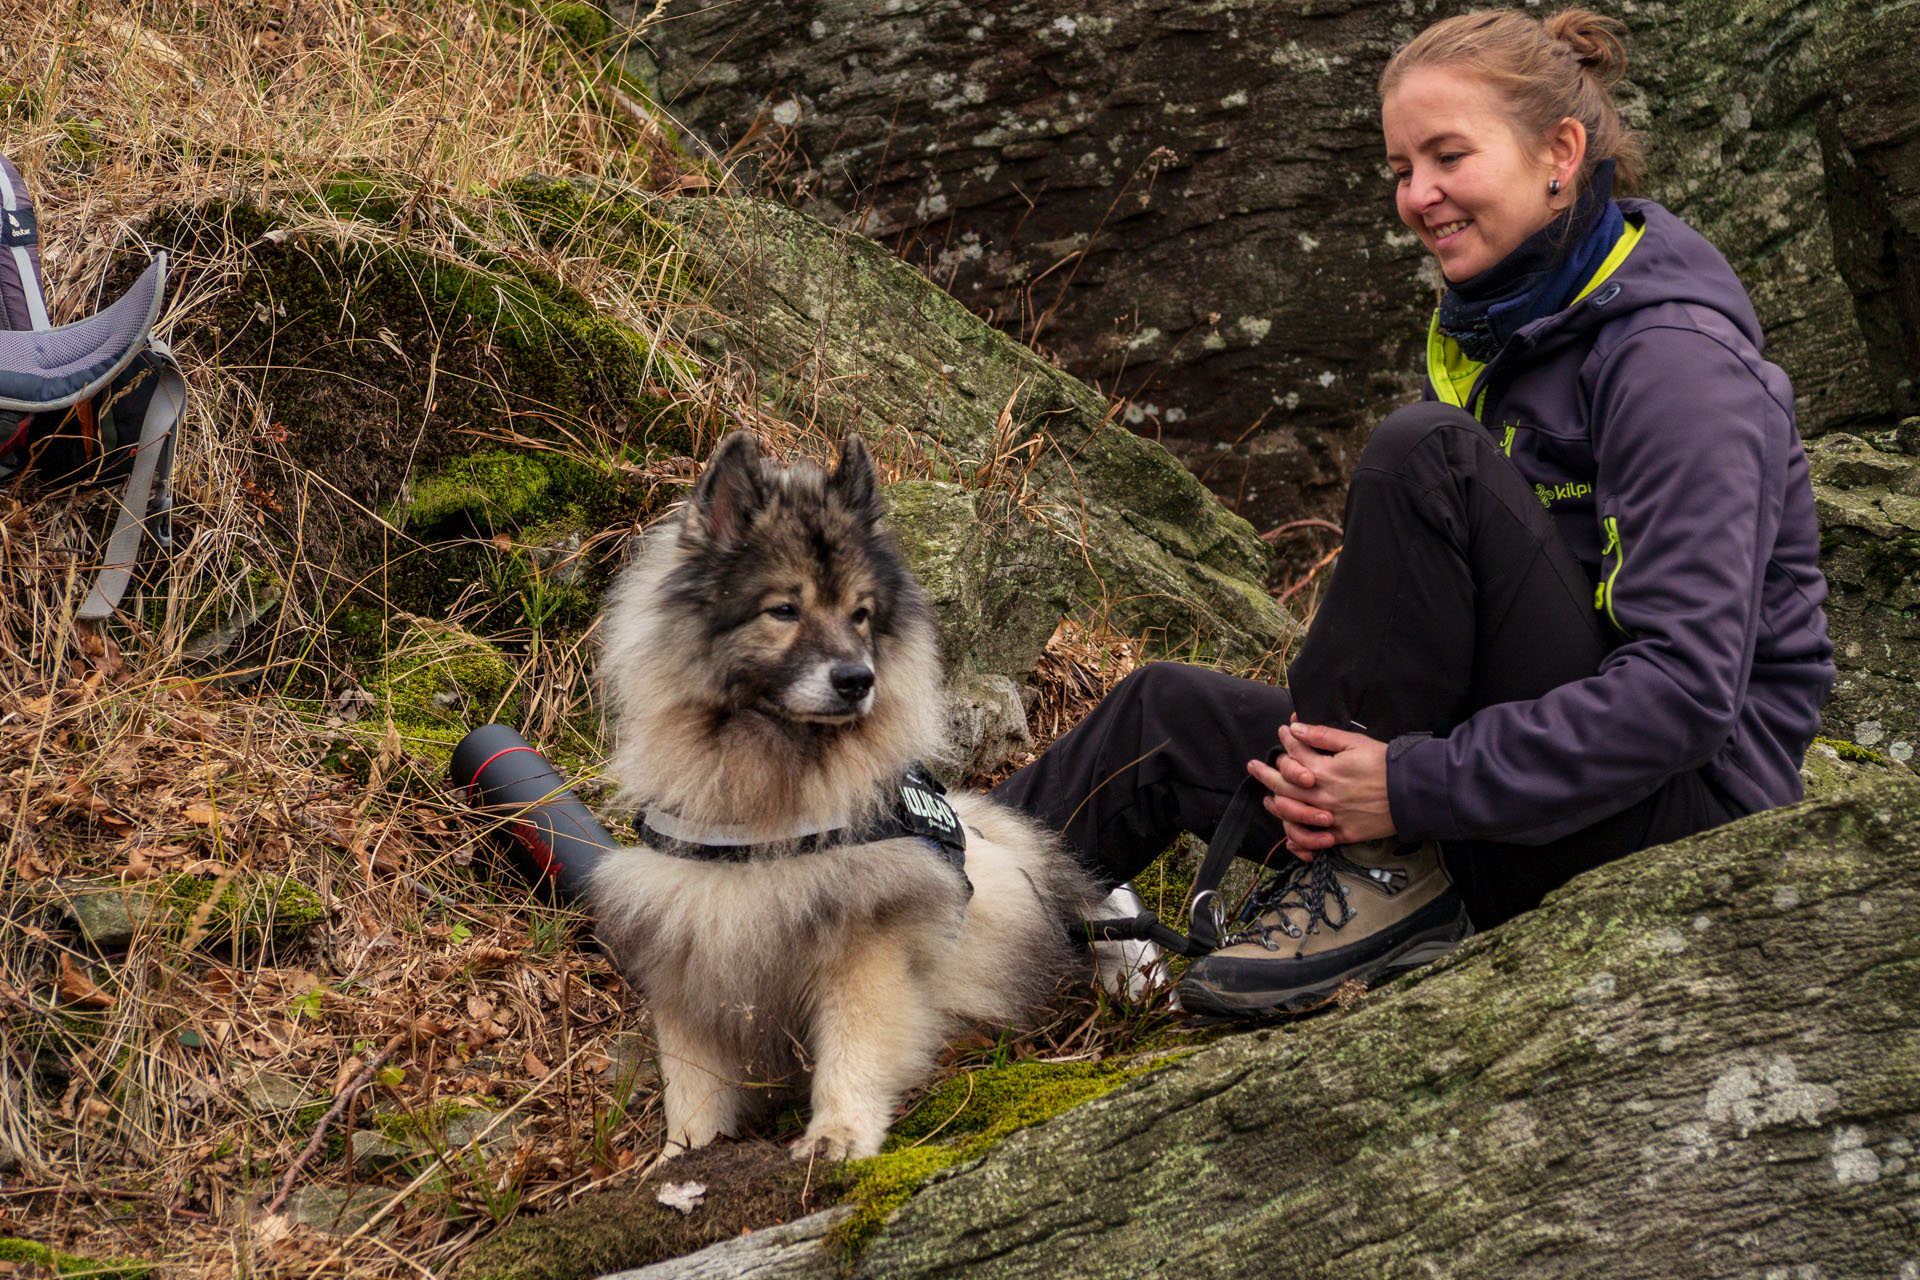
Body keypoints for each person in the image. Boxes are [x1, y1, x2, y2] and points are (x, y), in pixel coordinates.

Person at [993, 7, 1835, 1017]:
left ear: (1560, 151)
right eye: (1400, 168)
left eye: (1448, 156)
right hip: (1503, 797)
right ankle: (905, 915)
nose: (1417, 196)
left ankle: (1378, 872)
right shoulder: (1527, 330)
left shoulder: (1674, 365)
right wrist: (1389, 770)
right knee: (1161, 716)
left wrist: (1408, 789)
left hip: (1675, 826)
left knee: (1422, 451)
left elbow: (1686, 694)